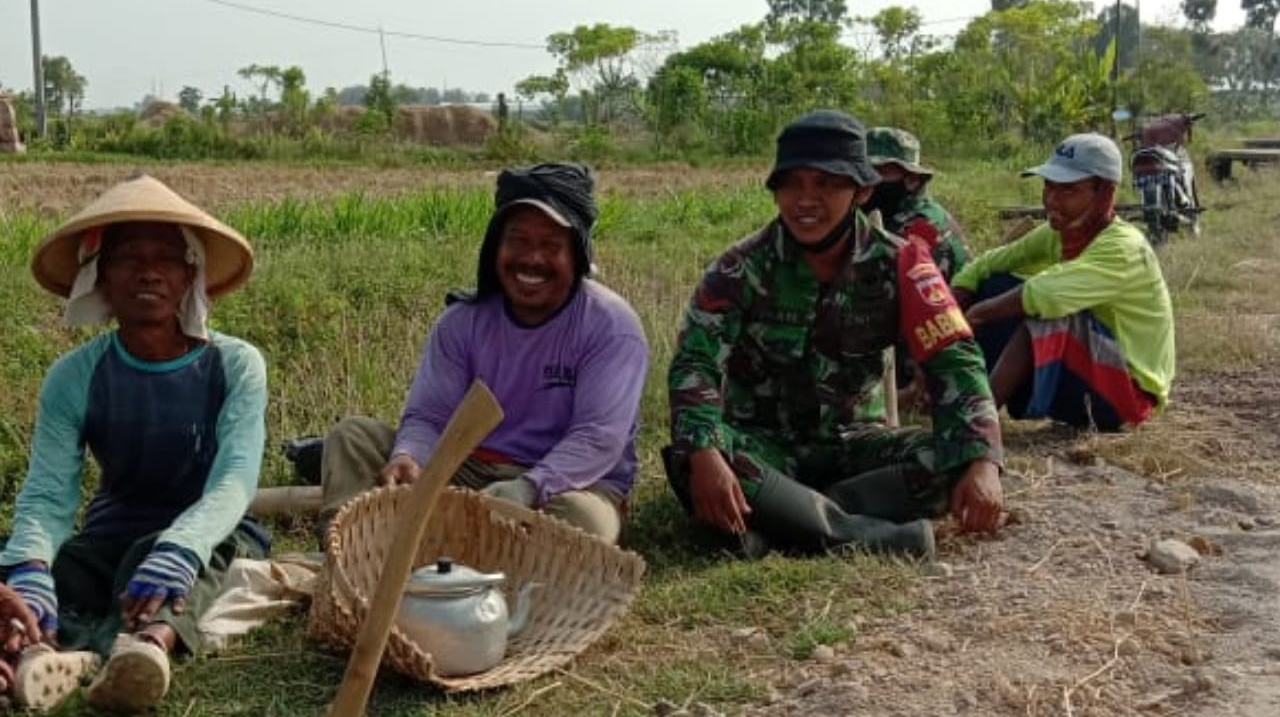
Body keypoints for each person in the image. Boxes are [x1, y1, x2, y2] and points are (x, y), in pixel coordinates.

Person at [663, 110, 1004, 560]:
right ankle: (876, 537)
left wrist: (984, 462)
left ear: (861, 191)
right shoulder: (738, 268)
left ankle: (784, 523)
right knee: (696, 462)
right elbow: (695, 364)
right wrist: (706, 453)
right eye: (792, 184)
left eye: (826, 184)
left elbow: (954, 359)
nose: (806, 200)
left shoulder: (904, 263)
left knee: (954, 457)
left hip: (855, 443)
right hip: (765, 448)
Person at [0, 173, 271, 711]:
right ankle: (36, 651)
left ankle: (145, 649)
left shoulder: (235, 364)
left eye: (166, 258)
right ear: (99, 276)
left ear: (189, 273)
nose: (148, 271)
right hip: (111, 536)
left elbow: (235, 479)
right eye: (127, 258)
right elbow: (50, 492)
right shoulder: (74, 376)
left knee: (165, 566)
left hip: (212, 534)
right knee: (41, 570)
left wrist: (179, 547)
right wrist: (30, 568)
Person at [319, 163, 648, 545]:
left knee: (584, 520)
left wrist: (528, 487)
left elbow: (598, 438)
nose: (532, 259)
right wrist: (410, 457)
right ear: (497, 247)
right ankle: (348, 551)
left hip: (567, 484)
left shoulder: (610, 326)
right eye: (519, 242)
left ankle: (445, 547)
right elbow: (430, 416)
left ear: (576, 256)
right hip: (465, 469)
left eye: (551, 246)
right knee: (353, 436)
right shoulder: (461, 322)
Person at [950, 133, 1175, 431]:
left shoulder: (1123, 247)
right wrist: (948, 315)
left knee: (1043, 313)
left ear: (1104, 194)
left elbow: (1046, 295)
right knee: (994, 283)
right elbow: (985, 264)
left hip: (1128, 396)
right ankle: (951, 396)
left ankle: (976, 428)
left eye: (1068, 190)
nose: (1051, 200)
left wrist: (975, 316)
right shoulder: (1060, 232)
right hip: (1090, 371)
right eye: (1048, 187)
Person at [863, 127, 970, 282]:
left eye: (879, 172)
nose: (867, 180)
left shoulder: (920, 228)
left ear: (912, 180)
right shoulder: (894, 212)